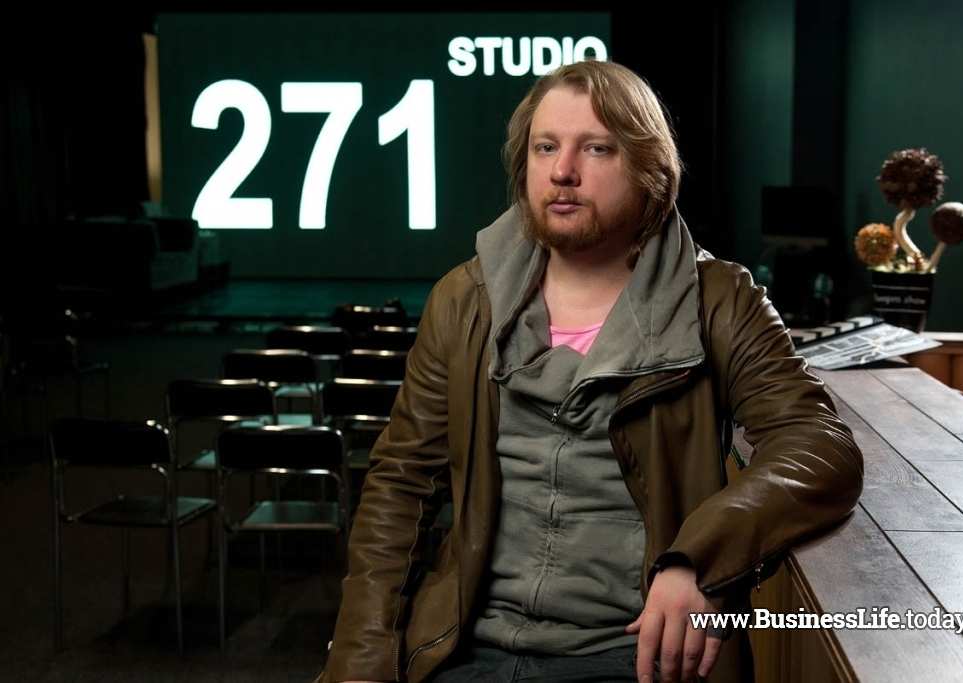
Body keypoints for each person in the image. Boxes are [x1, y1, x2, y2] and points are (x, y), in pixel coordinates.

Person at [319, 60, 863, 683]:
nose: (563, 171)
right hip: (465, 645)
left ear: (649, 170)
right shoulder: (464, 299)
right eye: (545, 147)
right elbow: (400, 485)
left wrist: (700, 558)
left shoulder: (718, 300)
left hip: (633, 654)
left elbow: (820, 445)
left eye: (597, 148)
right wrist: (358, 664)